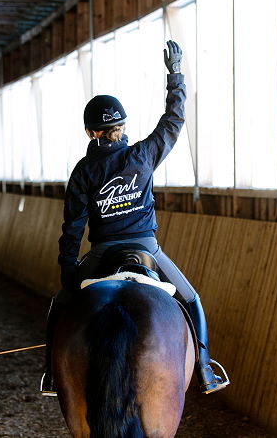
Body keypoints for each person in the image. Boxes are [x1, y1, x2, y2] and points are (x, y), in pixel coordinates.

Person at [40, 40, 227, 396]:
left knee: (59, 305)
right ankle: (204, 370)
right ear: (122, 127)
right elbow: (174, 120)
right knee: (191, 300)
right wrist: (176, 76)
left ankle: (51, 373)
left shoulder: (83, 171)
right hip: (147, 249)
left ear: (90, 131)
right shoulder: (143, 155)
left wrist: (68, 273)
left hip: (101, 253)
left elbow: (72, 228)